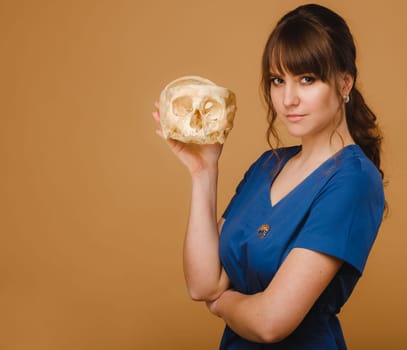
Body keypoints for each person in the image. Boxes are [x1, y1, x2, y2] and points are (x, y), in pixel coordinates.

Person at [153, 3, 385, 349]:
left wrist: (222, 303)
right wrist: (204, 172)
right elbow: (202, 284)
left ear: (344, 83)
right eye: (278, 80)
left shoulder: (352, 181)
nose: (288, 99)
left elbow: (270, 322)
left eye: (307, 79)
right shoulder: (268, 165)